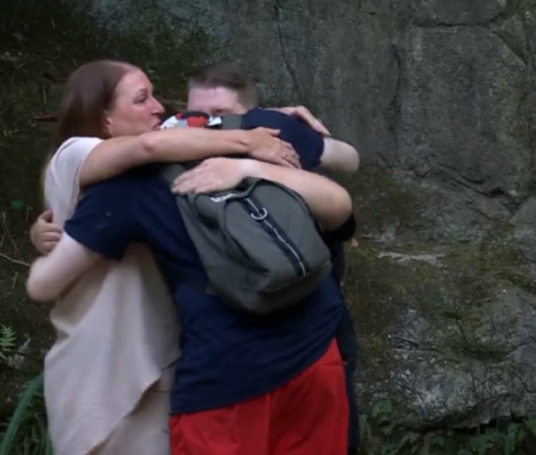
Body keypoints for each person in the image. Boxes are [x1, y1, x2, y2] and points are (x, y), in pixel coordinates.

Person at [26, 59, 354, 455]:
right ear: (105, 121)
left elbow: (41, 284)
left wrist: (255, 140)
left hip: (217, 373)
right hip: (313, 348)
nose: (161, 109)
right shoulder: (88, 157)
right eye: (142, 99)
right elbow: (344, 184)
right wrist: (253, 137)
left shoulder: (125, 190)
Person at [186, 62, 363, 455]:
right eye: (197, 115)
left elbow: (348, 158)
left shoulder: (270, 130)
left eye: (224, 117)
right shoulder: (177, 137)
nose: (209, 126)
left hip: (313, 306)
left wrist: (296, 138)